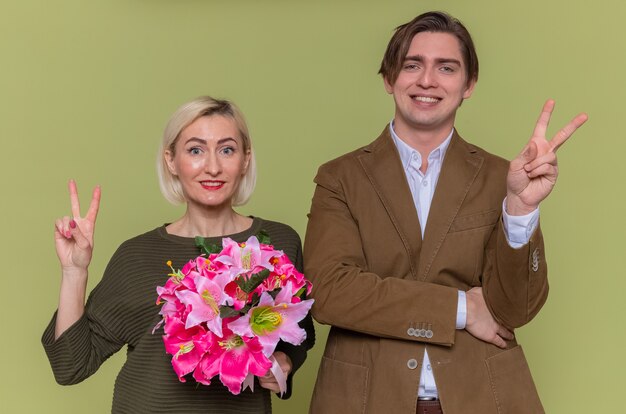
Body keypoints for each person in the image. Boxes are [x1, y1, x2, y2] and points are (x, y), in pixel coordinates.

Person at [304, 11, 587, 414]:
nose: (427, 81)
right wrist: (461, 309)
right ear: (389, 78)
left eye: (446, 68)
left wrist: (521, 211)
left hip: (484, 396)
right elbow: (331, 292)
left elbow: (516, 310)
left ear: (468, 84)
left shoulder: (499, 177)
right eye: (412, 65)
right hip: (365, 397)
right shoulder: (341, 177)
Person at [42, 96, 314, 413]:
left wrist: (285, 363)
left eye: (227, 149)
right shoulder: (136, 256)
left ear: (245, 160)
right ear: (171, 160)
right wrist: (74, 272)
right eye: (195, 150)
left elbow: (300, 332)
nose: (213, 167)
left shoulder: (277, 243)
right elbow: (70, 366)